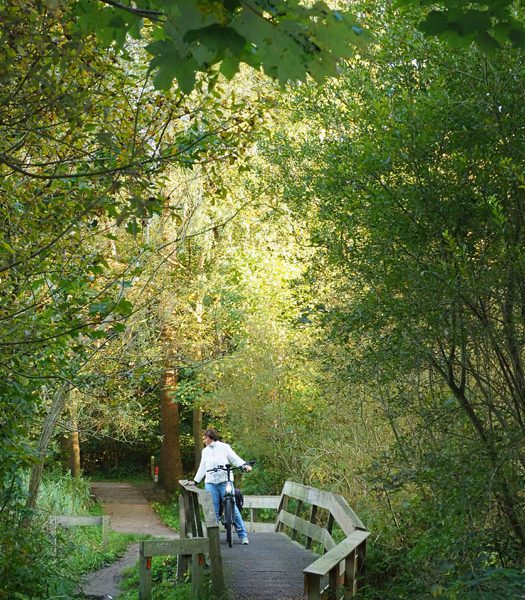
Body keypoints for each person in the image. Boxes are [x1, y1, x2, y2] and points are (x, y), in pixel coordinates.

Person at [189, 428, 252, 545]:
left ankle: (243, 536)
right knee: (213, 510)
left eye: (205, 437)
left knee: (233, 507)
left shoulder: (224, 447)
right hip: (211, 483)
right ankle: (213, 537)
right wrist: (195, 481)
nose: (204, 440)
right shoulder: (205, 451)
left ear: (211, 437)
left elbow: (234, 458)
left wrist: (244, 465)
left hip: (225, 481)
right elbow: (202, 467)